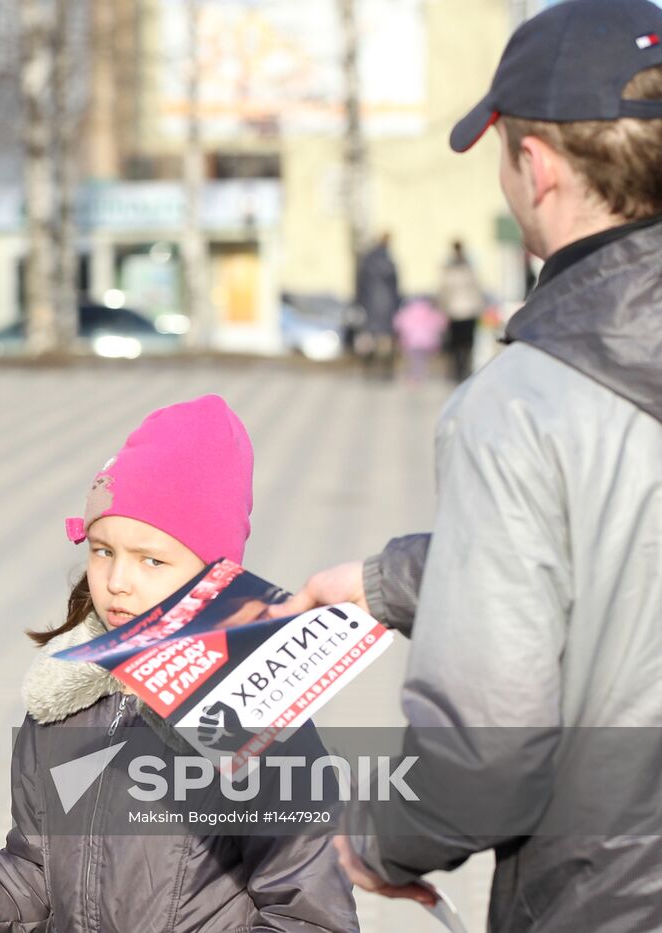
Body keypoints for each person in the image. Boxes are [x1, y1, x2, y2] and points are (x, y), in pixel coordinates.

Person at [284, 2, 662, 930]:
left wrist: (376, 838)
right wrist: (396, 580)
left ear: (536, 167)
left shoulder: (525, 403)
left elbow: (487, 752)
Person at [0, 397, 358, 931]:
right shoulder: (63, 703)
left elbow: (310, 915)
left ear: (217, 572)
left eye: (151, 559)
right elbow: (33, 877)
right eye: (102, 550)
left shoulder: (254, 717)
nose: (118, 580)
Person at [435, 240, 489, 382]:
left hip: (455, 310)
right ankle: (464, 368)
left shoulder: (450, 270)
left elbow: (444, 290)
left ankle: (458, 369)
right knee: (466, 342)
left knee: (457, 342)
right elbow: (477, 289)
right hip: (468, 310)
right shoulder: (469, 268)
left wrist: (443, 307)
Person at [354, 233, 401, 380]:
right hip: (386, 306)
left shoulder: (367, 261)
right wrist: (396, 304)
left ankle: (369, 369)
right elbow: (395, 286)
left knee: (370, 338)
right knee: (385, 339)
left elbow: (361, 285)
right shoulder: (389, 261)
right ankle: (386, 370)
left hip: (370, 305)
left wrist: (359, 302)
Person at [392, 296, 447, 386]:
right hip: (426, 342)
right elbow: (440, 321)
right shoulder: (429, 311)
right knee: (422, 360)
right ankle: (420, 376)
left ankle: (413, 377)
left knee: (412, 360)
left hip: (411, 342)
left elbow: (398, 322)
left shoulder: (408, 312)